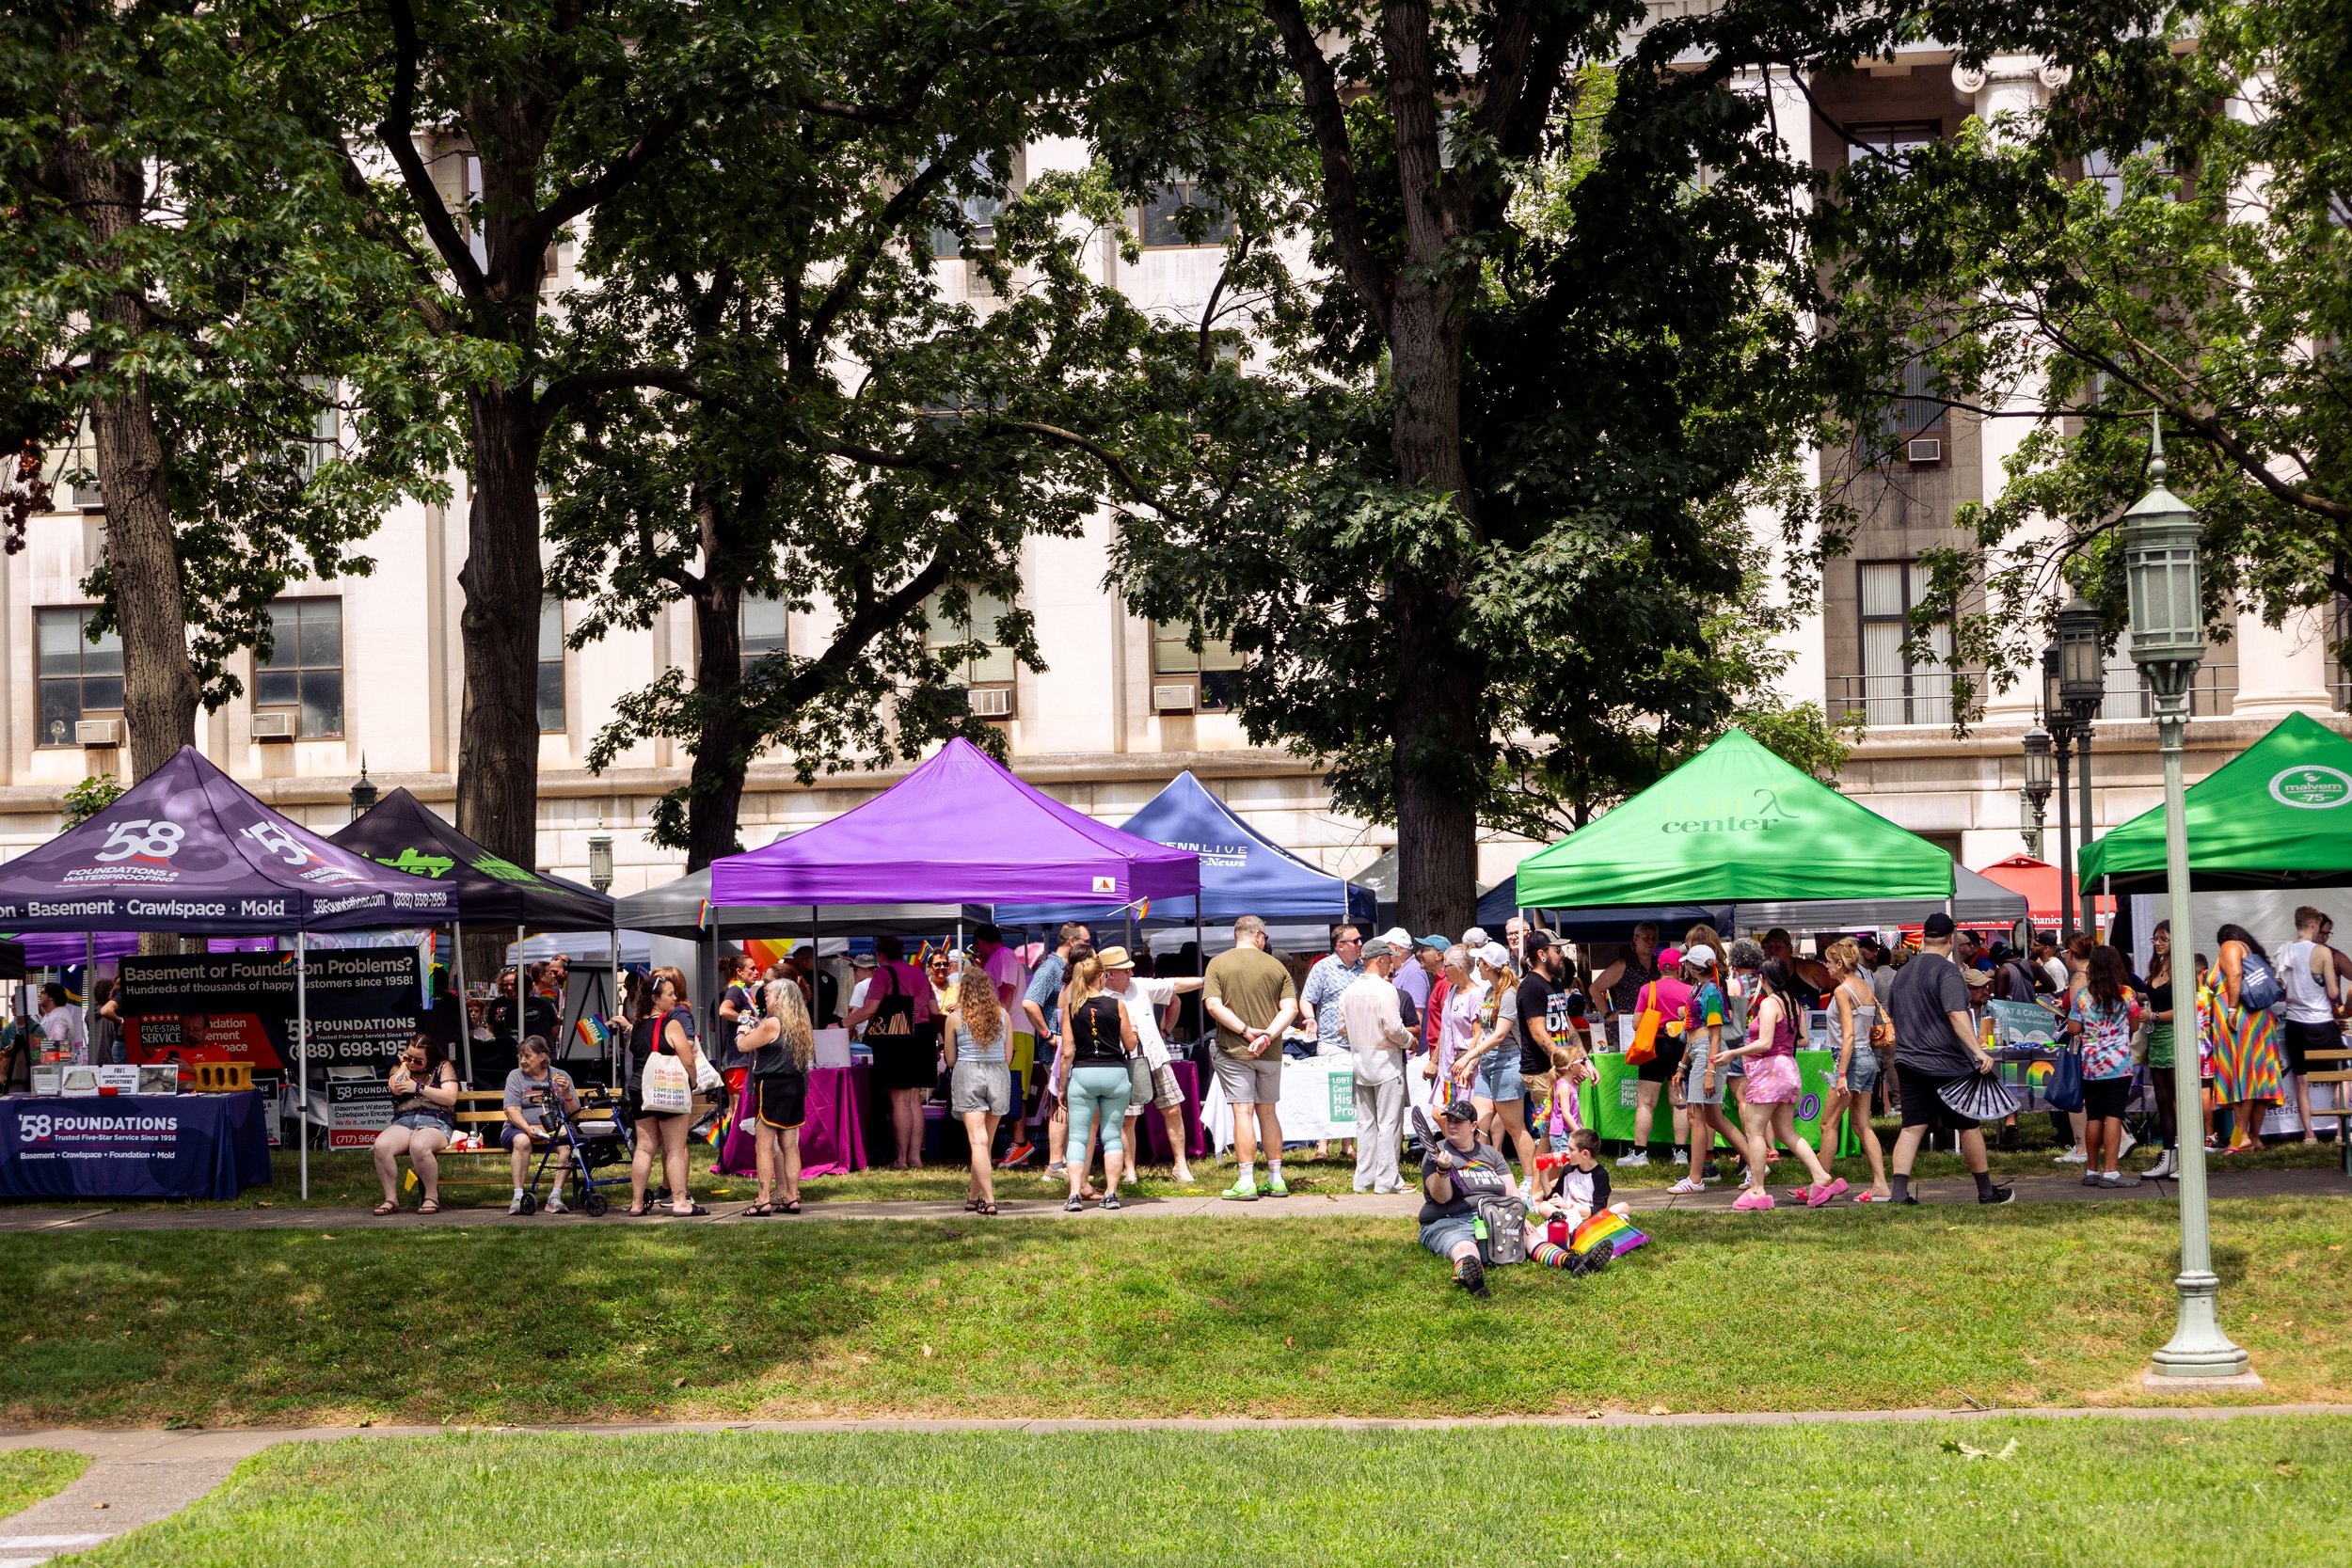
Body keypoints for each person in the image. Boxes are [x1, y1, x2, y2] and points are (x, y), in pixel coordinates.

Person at [1883, 912, 2012, 1206]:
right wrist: (1978, 1052)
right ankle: (1986, 1191)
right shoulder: (1948, 971)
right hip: (1947, 1062)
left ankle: (1899, 1194)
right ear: (1951, 939)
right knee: (1968, 1125)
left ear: (1925, 936)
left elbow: (1893, 1014)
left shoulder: (1903, 973)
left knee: (1912, 1126)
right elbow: (1956, 1014)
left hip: (1908, 1059)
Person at [1716, 958, 1839, 1211]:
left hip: (1768, 1072)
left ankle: (1757, 1190)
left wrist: (1733, 1053)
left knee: (1755, 1132)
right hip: (1789, 1071)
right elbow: (1803, 1040)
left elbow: (1765, 1042)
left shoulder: (1770, 1004)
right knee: (1787, 1133)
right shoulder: (1794, 1003)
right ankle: (1820, 1175)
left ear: (1763, 979)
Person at [1203, 915, 1300, 1201]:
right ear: (1259, 935)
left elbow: (1212, 1005)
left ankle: (1246, 1180)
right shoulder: (1276, 966)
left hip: (1234, 1050)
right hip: (1269, 1051)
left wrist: (1246, 1032)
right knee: (1268, 1112)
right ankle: (1276, 1178)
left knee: (1242, 1112)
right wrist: (1267, 1035)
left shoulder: (1218, 964)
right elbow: (1291, 1009)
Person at [1100, 945, 1203, 1186]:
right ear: (1109, 973)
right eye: (1126, 970)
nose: (1131, 973)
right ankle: (1129, 1171)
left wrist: (1207, 979)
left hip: (1156, 1056)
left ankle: (1180, 1165)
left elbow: (1174, 985)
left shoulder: (1140, 986)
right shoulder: (1100, 997)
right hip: (1124, 1062)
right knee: (1128, 1119)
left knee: (1173, 1109)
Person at [1452, 942, 1540, 1184]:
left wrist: (1469, 1056)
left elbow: (1500, 1034)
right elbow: (1485, 1034)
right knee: (1477, 1126)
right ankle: (1482, 1179)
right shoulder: (1490, 992)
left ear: (1488, 966)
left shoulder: (1510, 994)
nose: (1476, 966)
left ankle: (1530, 1182)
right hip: (1488, 1066)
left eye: (1479, 962)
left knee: (1515, 1128)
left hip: (1508, 1064)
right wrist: (1473, 1062)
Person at [849, 934, 937, 1170]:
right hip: (924, 1034)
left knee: (899, 1099)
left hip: (898, 1036)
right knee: (914, 1099)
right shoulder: (920, 973)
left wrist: (842, 1024)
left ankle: (900, 1159)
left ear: (881, 955)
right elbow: (934, 1009)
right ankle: (916, 1157)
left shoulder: (883, 974)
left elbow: (870, 1009)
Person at [1056, 950, 1136, 1212]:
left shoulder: (1071, 1009)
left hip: (1083, 1074)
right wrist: (1133, 1031)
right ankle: (1111, 1194)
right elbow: (1130, 1044)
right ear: (1102, 977)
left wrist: (1061, 1086)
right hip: (1114, 1073)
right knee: (1112, 1136)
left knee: (1078, 1138)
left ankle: (1074, 1194)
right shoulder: (1117, 1006)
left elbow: (1067, 1052)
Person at [628, 967, 708, 1217]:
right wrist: (693, 1082)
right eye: (670, 995)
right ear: (656, 998)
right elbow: (687, 1059)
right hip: (667, 1088)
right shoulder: (671, 1023)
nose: (675, 999)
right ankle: (680, 1202)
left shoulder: (637, 1025)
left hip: (639, 1088)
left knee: (644, 1148)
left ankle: (637, 1203)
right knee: (674, 1147)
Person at [1417, 1098, 1516, 1298]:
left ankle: (1570, 1261)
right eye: (1449, 1120)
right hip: (1448, 1221)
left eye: (1458, 1121)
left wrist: (1518, 1215)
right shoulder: (1435, 1153)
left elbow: (1511, 1192)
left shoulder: (1491, 1155)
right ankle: (1472, 1276)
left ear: (1473, 1126)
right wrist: (1442, 1171)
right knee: (1464, 1246)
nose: (1451, 1125)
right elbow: (1441, 1198)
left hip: (1492, 1217)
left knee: (1530, 1236)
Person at [1342, 937, 1416, 1193]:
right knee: (1388, 1124)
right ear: (1380, 960)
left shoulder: (1349, 990)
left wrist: (1360, 1034)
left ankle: (1364, 1179)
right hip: (1385, 1061)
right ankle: (1387, 1180)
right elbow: (1394, 1028)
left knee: (1365, 1124)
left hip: (1361, 1061)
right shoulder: (1386, 990)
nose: (1391, 966)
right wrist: (1410, 1040)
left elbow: (1342, 1028)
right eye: (1389, 961)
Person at [943, 951, 1013, 1214]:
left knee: (978, 1142)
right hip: (998, 1074)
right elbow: (1008, 1057)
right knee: (985, 1143)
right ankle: (973, 1198)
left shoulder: (955, 1017)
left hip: (968, 1073)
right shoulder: (1003, 1015)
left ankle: (990, 1199)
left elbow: (950, 1059)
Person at [1820, 938, 1891, 1202]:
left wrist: (1840, 1073)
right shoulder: (1864, 984)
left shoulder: (1842, 991)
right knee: (1863, 1126)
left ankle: (1821, 1182)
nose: (1825, 966)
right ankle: (1881, 1184)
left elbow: (1848, 1036)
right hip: (1867, 1059)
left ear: (1839, 964)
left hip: (1850, 1060)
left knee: (1828, 1124)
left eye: (1828, 962)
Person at [2068, 945, 2143, 1188]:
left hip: (2091, 1064)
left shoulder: (2083, 996)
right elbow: (2134, 1026)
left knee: (2094, 1116)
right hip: (2119, 1065)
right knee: (2114, 1116)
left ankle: (2091, 1170)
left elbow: (2073, 1029)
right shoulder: (2127, 994)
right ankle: (2111, 1171)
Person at [1023, 922, 1090, 1184]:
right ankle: (1055, 1163)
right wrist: (1048, 1035)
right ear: (1072, 942)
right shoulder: (1051, 967)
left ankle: (1064, 1162)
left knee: (1068, 1105)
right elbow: (1029, 1002)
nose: (1090, 945)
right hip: (1058, 1051)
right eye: (1086, 941)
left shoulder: (1065, 967)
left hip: (1070, 1048)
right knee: (1060, 1104)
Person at [739, 975, 813, 1216]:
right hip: (794, 1085)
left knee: (764, 1145)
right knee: (790, 1146)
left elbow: (743, 1045)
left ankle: (762, 1199)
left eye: (768, 994)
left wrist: (742, 1029)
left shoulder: (772, 1022)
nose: (765, 997)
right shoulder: (801, 1023)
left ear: (780, 998)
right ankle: (792, 1196)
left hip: (772, 1086)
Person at [2211, 923, 2286, 1155]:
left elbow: (2234, 974)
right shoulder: (2249, 950)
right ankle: (2254, 1138)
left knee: (2241, 1078)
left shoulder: (2229, 945)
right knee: (2257, 1078)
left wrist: (2231, 1010)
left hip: (2241, 1019)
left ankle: (2240, 1137)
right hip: (2257, 1019)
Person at [1670, 945, 1739, 1194]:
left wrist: (1709, 1071)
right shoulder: (1701, 989)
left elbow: (1715, 1037)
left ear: (1693, 966)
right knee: (1712, 1118)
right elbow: (1692, 1033)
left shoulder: (1710, 993)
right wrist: (1682, 1065)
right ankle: (1755, 1164)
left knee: (1696, 1116)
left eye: (1687, 963)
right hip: (1698, 1052)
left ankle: (1696, 1178)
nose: (1684, 967)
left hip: (1706, 1054)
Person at [1619, 942, 1691, 1168]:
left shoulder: (1647, 989)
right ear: (1679, 969)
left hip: (1653, 1047)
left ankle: (1640, 1153)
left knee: (1645, 1103)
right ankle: (1680, 1154)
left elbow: (1637, 1023)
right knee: (1679, 1103)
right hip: (1680, 1048)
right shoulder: (1689, 991)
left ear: (1659, 968)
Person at [373, 1035, 460, 1215]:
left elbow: (450, 1097)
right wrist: (404, 1065)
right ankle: (391, 1199)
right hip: (405, 1120)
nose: (412, 1063)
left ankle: (431, 1196)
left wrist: (419, 1088)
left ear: (430, 1058)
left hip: (435, 1120)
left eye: (418, 1061)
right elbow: (395, 1087)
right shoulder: (400, 1068)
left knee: (419, 1145)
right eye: (408, 1057)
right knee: (381, 1146)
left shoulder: (443, 1067)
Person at [2276, 906, 2339, 1146]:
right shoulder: (2322, 952)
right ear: (2313, 922)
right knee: (2341, 1077)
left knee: (2301, 1080)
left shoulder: (2284, 950)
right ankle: (2341, 1131)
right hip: (2321, 1021)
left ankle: (2309, 1135)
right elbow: (2333, 992)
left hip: (2295, 1023)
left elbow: (2281, 991)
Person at [499, 1034, 579, 1214]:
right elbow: (511, 1109)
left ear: (542, 1056)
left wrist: (566, 1092)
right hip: (519, 1128)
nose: (523, 1061)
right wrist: (527, 1128)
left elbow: (574, 1115)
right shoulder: (515, 1076)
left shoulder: (561, 1076)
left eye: (528, 1056)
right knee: (522, 1141)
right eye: (521, 1057)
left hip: (554, 1129)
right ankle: (518, 1196)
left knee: (568, 1145)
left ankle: (555, 1197)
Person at [2143, 919, 2183, 1180]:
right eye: (2155, 939)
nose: (2158, 944)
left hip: (2174, 1038)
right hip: (2155, 1039)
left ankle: (2183, 1157)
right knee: (2163, 1101)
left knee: (2179, 1101)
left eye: (2163, 939)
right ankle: (2167, 1157)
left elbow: (2183, 1008)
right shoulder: (2155, 968)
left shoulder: (2181, 968)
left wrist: (2153, 1016)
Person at [1297, 923, 1364, 1058]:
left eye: (1360, 939)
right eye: (1355, 941)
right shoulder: (1322, 968)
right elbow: (1306, 999)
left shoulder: (1365, 967)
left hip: (1364, 1043)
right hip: (1333, 1044)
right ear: (1340, 945)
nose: (1360, 943)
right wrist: (1310, 1018)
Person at [1594, 923, 1661, 1026]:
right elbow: (1594, 989)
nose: (1651, 942)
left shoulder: (1659, 965)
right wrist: (1608, 1015)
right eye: (1646, 938)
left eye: (1654, 938)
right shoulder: (1623, 965)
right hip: (1628, 1028)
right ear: (1636, 939)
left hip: (1654, 1026)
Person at [716, 954, 763, 1081]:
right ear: (739, 971)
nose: (757, 972)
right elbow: (724, 1010)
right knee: (739, 1101)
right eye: (752, 969)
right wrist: (746, 1020)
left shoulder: (742, 990)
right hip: (738, 1059)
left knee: (739, 1101)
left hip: (742, 1058)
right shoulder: (735, 989)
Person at [33, 982, 87, 1066]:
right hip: (54, 1065)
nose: (40, 995)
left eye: (43, 993)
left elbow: (57, 1044)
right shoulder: (51, 1014)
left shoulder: (59, 1017)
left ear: (51, 997)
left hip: (57, 1068)